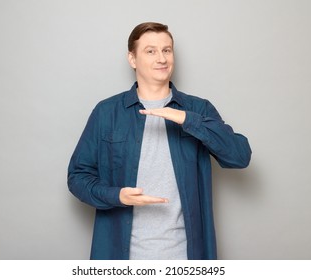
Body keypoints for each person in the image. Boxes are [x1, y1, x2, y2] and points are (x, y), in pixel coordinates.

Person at [67, 22, 252, 260]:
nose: (161, 58)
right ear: (132, 59)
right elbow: (77, 177)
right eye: (151, 51)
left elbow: (239, 156)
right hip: (121, 258)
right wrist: (116, 196)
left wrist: (188, 119)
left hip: (186, 258)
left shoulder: (197, 109)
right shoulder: (106, 113)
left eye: (167, 50)